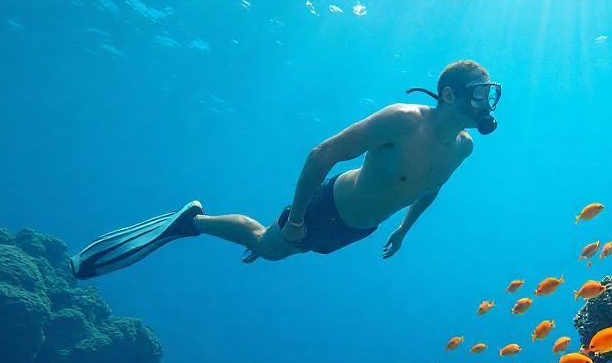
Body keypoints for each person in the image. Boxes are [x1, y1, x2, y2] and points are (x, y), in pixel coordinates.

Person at [69, 60, 500, 278]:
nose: (487, 104)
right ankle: (191, 221)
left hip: (355, 229)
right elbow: (322, 154)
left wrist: (404, 230)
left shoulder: (462, 148)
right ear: (449, 94)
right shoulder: (404, 121)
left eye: (490, 95)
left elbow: (430, 188)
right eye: (480, 94)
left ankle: (262, 235)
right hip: (325, 209)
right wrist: (295, 220)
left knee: (273, 246)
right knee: (269, 245)